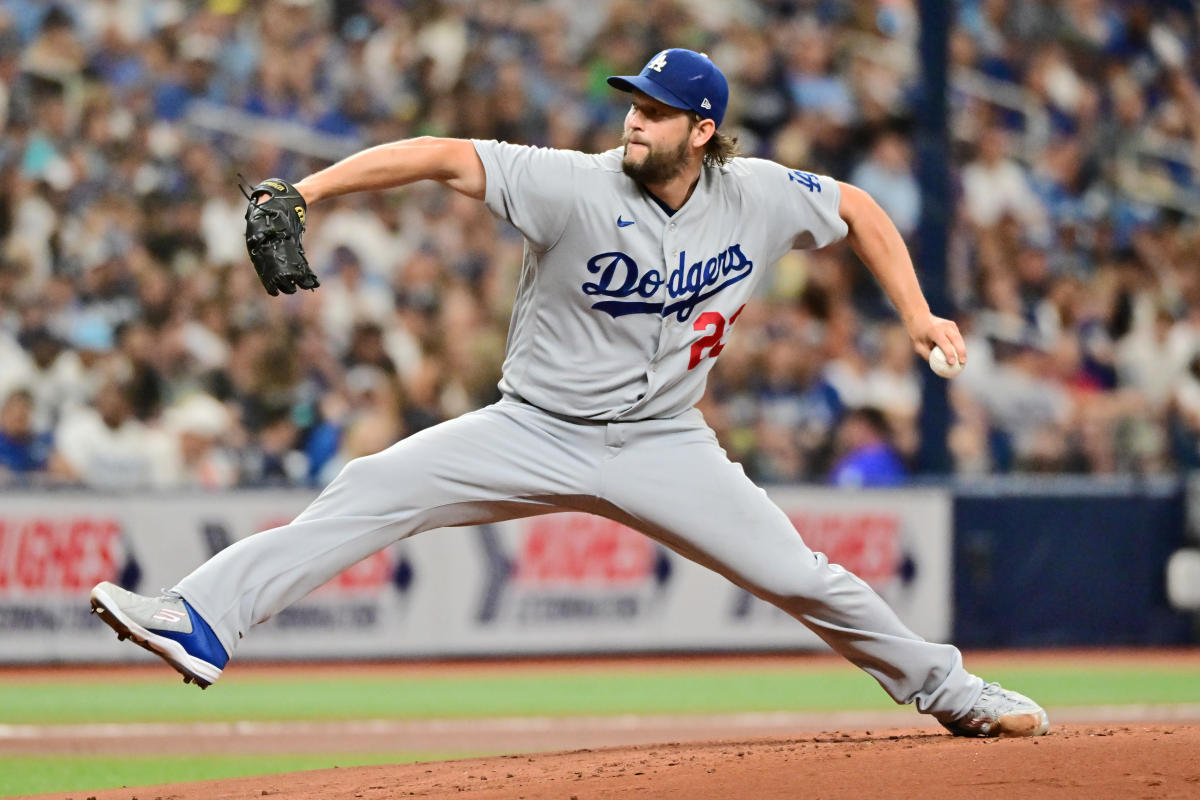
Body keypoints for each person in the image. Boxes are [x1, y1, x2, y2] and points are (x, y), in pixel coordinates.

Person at [90, 49, 1047, 738]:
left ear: (702, 131)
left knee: (803, 578)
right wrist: (308, 191)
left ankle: (953, 693)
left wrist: (918, 315)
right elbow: (437, 152)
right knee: (371, 486)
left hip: (667, 441)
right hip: (532, 427)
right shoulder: (571, 185)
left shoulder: (755, 193)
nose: (633, 118)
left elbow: (861, 207)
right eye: (632, 102)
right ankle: (204, 620)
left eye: (657, 110)